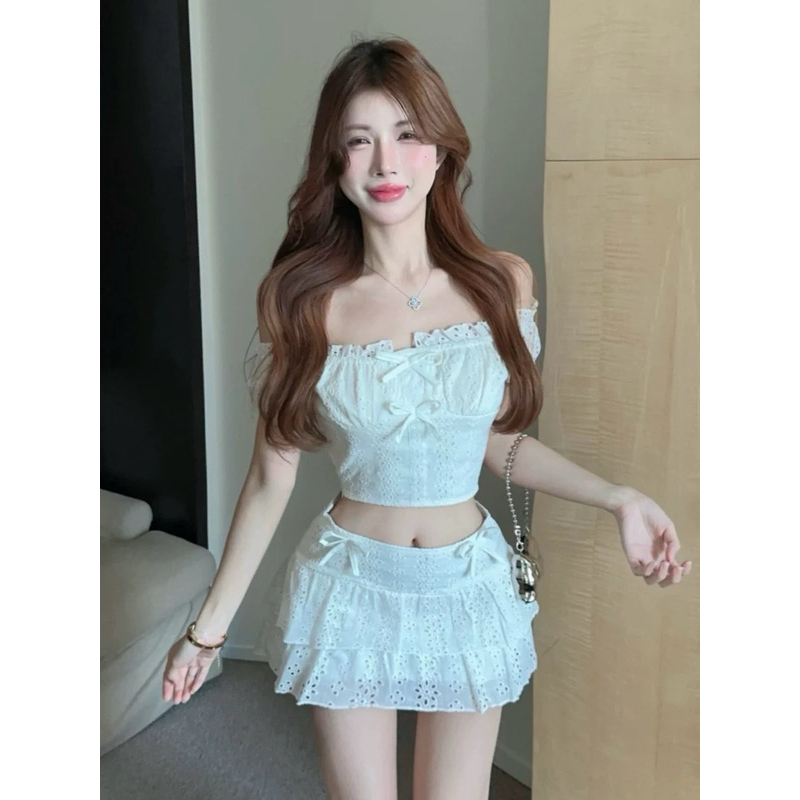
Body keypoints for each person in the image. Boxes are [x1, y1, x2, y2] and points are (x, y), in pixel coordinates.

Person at [162, 36, 691, 800]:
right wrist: (206, 632)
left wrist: (618, 497)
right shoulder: (305, 302)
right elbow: (269, 481)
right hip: (350, 587)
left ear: (440, 151)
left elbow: (495, 442)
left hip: (468, 589)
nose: (386, 163)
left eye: (407, 134)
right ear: (335, 162)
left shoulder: (501, 284)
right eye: (359, 140)